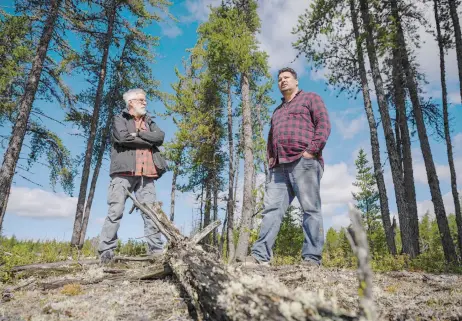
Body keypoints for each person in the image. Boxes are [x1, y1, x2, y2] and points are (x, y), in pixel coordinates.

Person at [245, 67, 331, 267]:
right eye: (279, 79)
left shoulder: (310, 98)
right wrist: (271, 161)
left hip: (305, 162)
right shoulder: (277, 110)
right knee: (271, 210)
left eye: (286, 78)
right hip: (279, 167)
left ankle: (311, 258)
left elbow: (324, 124)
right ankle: (260, 256)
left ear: (296, 81)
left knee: (310, 209)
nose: (282, 81)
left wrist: (311, 151)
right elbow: (271, 138)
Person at [98, 88, 168, 264]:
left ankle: (156, 252)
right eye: (141, 100)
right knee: (115, 211)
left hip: (147, 174)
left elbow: (159, 137)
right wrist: (147, 139)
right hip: (123, 173)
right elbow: (122, 139)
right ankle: (106, 251)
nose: (145, 103)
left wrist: (138, 134)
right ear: (130, 102)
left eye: (145, 100)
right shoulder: (119, 119)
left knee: (151, 214)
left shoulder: (149, 121)